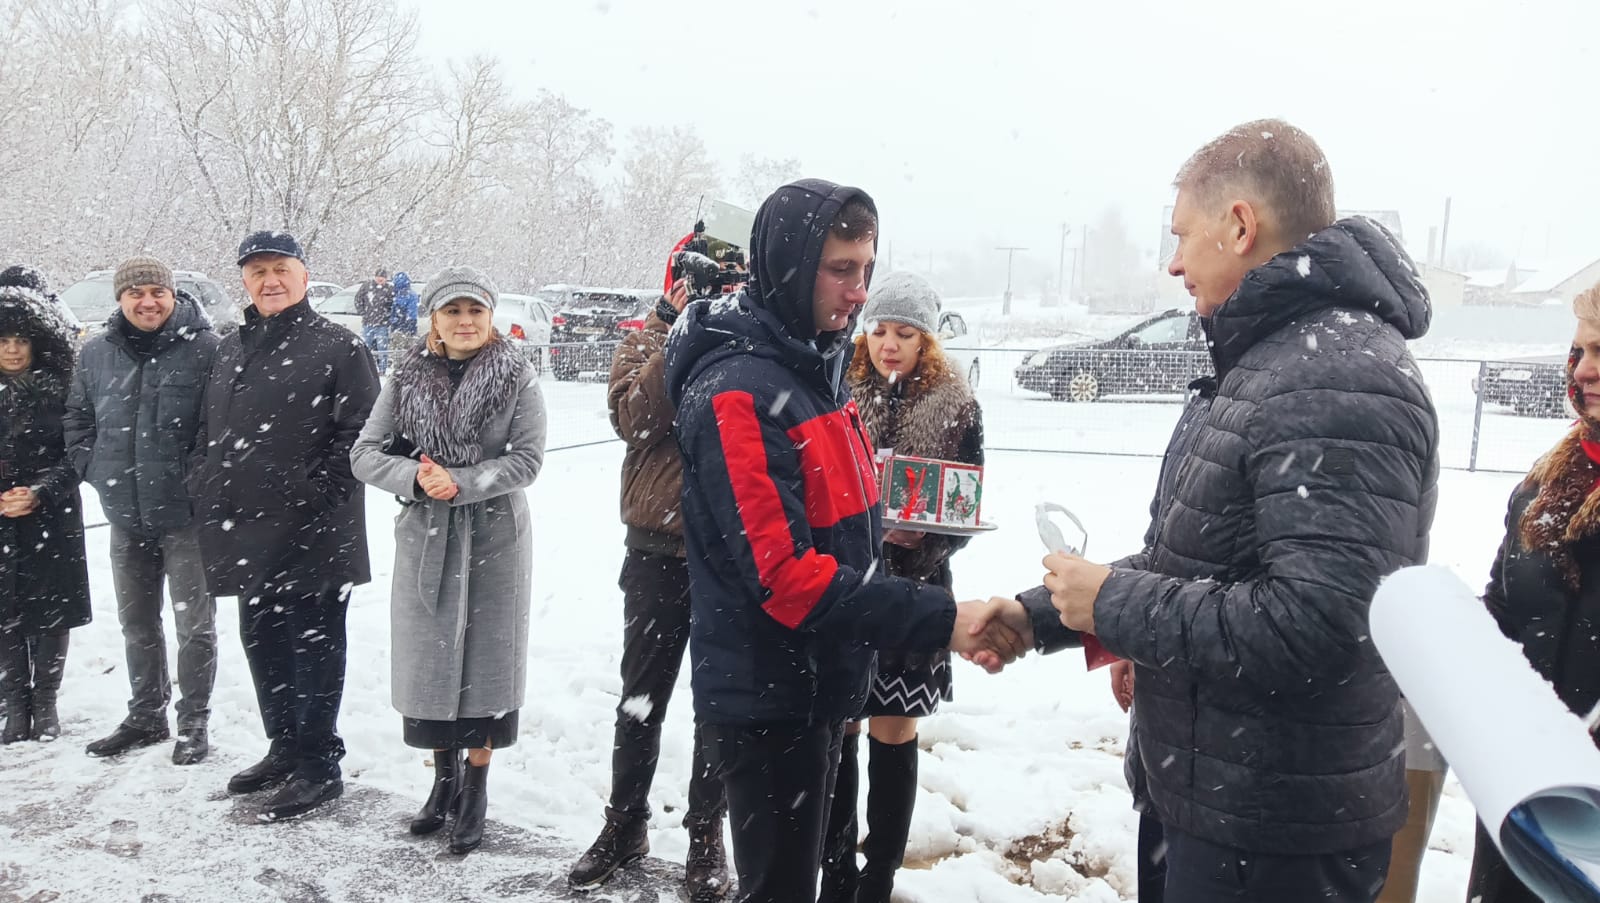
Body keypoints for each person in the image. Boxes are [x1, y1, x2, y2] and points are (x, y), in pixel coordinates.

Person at [978, 119, 1441, 902]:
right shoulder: (1274, 359)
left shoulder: (1338, 379)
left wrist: (1115, 602)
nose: (1172, 262)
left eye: (1183, 236)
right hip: (1216, 801)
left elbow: (1320, 623)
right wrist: (1042, 615)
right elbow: (1198, 564)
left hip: (1272, 836)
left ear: (1239, 225)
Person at [663, 179, 1024, 903]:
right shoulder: (741, 390)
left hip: (819, 681)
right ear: (791, 263)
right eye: (841, 268)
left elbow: (844, 527)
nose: (860, 292)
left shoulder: (811, 367)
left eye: (867, 267)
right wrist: (942, 618)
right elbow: (786, 576)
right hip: (769, 698)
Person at [351, 265, 546, 854]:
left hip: (495, 535)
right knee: (433, 659)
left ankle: (477, 787)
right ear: (433, 319)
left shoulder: (518, 377)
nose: (465, 322)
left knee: (488, 657)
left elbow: (527, 460)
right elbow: (364, 453)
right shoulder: (406, 375)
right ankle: (444, 781)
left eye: (475, 311)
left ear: (490, 318)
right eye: (452, 311)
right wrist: (416, 478)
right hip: (426, 534)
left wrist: (460, 481)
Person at [189, 230, 380, 822]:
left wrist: (312, 491)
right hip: (242, 528)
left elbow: (363, 434)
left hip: (314, 530)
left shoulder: (339, 346)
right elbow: (208, 428)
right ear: (243, 281)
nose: (269, 281)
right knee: (262, 640)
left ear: (302, 274)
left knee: (314, 647)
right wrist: (202, 475)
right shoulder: (231, 346)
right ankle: (284, 748)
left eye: (280, 269)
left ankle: (319, 763)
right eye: (256, 271)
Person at [818, 270, 984, 903]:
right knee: (843, 727)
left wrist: (931, 540)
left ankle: (878, 874)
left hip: (917, 590)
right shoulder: (838, 389)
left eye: (904, 332)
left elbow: (966, 499)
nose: (889, 343)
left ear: (926, 340)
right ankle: (834, 873)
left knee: (894, 727)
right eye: (880, 329)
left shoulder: (957, 405)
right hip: (851, 588)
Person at [568, 275, 729, 898]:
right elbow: (636, 419)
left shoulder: (741, 343)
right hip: (656, 551)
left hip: (726, 555)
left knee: (718, 702)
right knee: (641, 698)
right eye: (696, 284)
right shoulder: (644, 342)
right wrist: (682, 331)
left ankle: (705, 834)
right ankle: (624, 823)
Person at [1466, 282, 1600, 902]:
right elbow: (1502, 611)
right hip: (1522, 787)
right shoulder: (1542, 489)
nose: (1586, 369)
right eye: (1578, 352)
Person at [65, 256, 220, 765]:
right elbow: (78, 418)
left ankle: (192, 721)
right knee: (137, 622)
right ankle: (144, 714)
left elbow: (217, 430)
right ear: (120, 298)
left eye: (157, 291)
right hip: (125, 513)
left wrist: (195, 479)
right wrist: (92, 466)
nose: (147, 301)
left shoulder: (206, 350)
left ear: (173, 296)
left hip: (185, 516)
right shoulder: (95, 354)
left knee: (193, 625)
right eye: (136, 292)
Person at [0, 273, 90, 744]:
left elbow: (75, 453)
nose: (13, 350)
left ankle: (46, 701)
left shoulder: (61, 391)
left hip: (52, 516)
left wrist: (39, 492)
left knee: (51, 611)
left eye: (21, 340)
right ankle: (15, 703)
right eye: (4, 340)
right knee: (6, 613)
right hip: (1, 521)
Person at [355, 267, 394, 369]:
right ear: (375, 277)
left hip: (382, 324)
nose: (380, 279)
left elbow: (393, 306)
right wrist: (363, 313)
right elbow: (358, 299)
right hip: (368, 323)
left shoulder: (389, 289)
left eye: (383, 277)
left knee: (382, 348)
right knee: (367, 348)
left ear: (386, 279)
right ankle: (367, 369)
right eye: (378, 277)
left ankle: (382, 369)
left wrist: (388, 317)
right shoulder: (367, 286)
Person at [389, 271, 419, 357]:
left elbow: (410, 313)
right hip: (404, 326)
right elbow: (412, 313)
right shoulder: (410, 295)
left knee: (399, 351)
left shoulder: (399, 295)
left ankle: (399, 366)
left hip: (401, 327)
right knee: (407, 351)